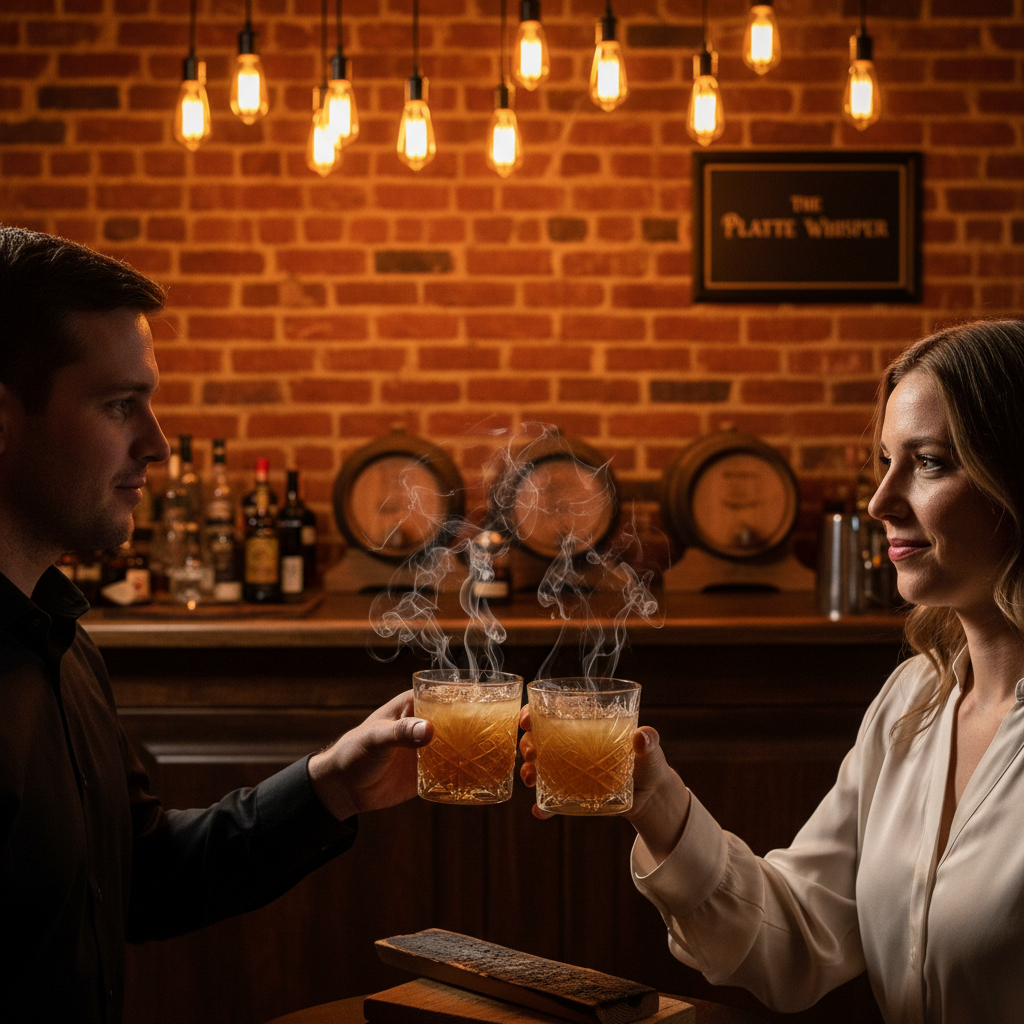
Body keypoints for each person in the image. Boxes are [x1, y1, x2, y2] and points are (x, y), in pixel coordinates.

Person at [519, 319, 1024, 1024]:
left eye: (930, 461)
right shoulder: (916, 702)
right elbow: (799, 938)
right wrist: (655, 801)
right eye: (884, 461)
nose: (881, 501)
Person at [0, 226, 434, 1023]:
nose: (157, 444)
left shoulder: (60, 641)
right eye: (118, 404)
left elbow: (137, 877)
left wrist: (333, 783)